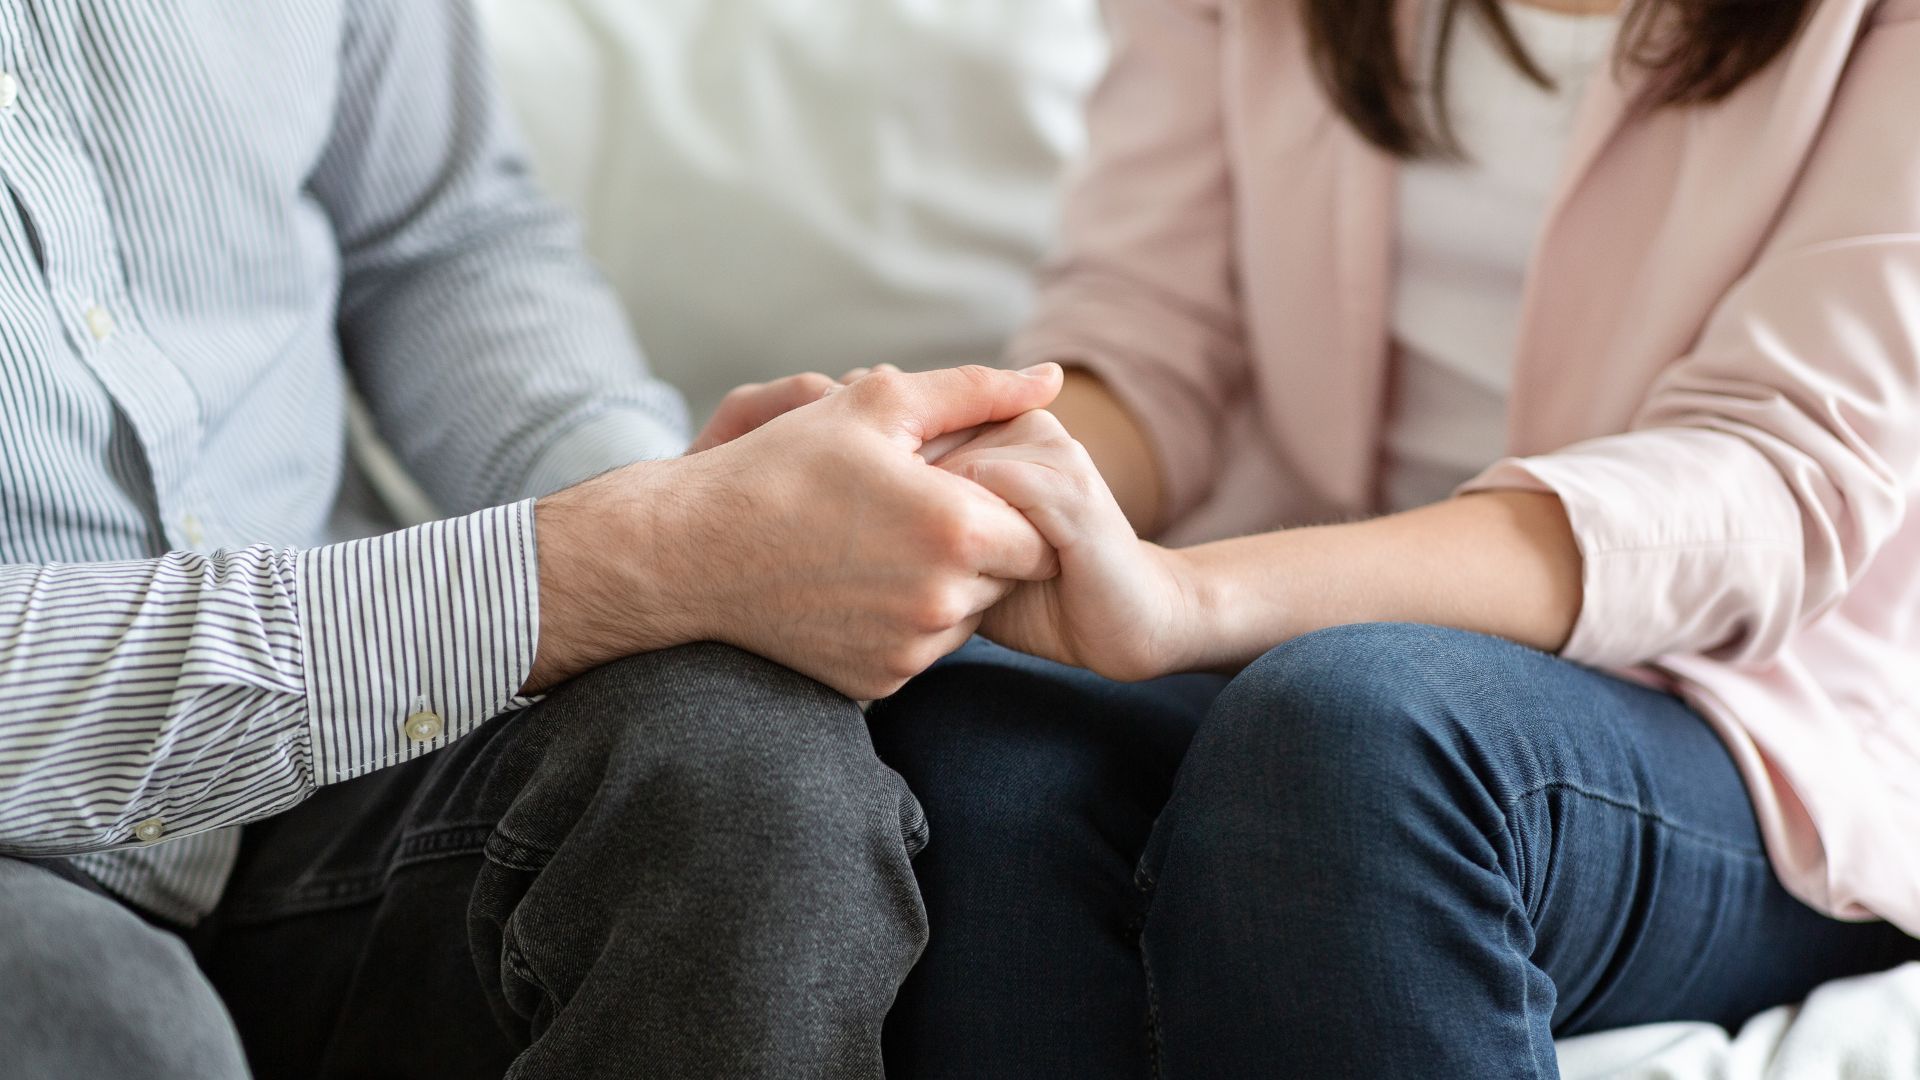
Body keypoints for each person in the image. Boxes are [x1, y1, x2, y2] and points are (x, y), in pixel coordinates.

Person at [849, 0, 1920, 1075]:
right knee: (978, 740)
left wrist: (1192, 599)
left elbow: (1779, 476)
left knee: (1355, 739)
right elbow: (1153, 333)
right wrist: (946, 478)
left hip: (1758, 717)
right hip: (1296, 638)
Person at [0, 2, 1070, 1077]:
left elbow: (437, 241)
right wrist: (631, 553)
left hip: (333, 773)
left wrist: (684, 508)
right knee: (103, 1020)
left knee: (737, 762)